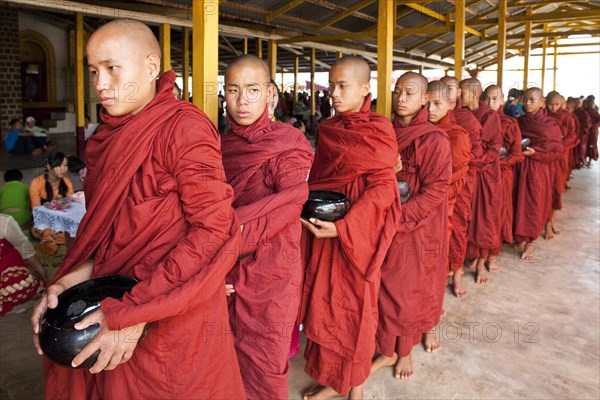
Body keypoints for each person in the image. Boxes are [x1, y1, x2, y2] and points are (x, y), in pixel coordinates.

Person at [30, 19, 246, 399]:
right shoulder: (106, 139)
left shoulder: (183, 129)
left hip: (172, 315)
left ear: (150, 68)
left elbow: (213, 231)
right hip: (112, 307)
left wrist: (137, 312)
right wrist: (67, 283)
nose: (100, 84)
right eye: (94, 71)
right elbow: (109, 242)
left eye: (113, 68)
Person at [299, 56, 400, 400]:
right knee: (325, 305)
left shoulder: (379, 128)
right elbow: (320, 180)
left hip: (357, 237)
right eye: (332, 86)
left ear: (365, 88)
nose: (335, 94)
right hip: (326, 226)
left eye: (343, 86)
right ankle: (333, 379)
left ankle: (355, 388)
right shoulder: (329, 129)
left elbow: (384, 189)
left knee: (355, 312)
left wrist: (345, 229)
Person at [220, 55, 313, 400]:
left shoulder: (287, 143)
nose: (242, 100)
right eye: (233, 90)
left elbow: (289, 205)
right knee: (223, 355)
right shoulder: (220, 146)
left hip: (271, 274)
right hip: (224, 270)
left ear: (270, 94)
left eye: (253, 90)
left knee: (264, 364)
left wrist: (225, 240)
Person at [371, 72, 451, 380]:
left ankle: (402, 352)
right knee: (384, 285)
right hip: (385, 216)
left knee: (406, 288)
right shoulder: (384, 132)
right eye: (398, 91)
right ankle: (384, 346)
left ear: (424, 99)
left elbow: (435, 190)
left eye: (410, 93)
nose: (402, 98)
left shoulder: (434, 139)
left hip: (417, 225)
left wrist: (400, 219)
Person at [439, 76, 484, 297]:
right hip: (435, 187)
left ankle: (456, 276)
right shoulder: (429, 115)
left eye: (451, 89)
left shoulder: (466, 120)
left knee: (457, 229)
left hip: (459, 183)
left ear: (458, 94)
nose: (446, 92)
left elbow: (478, 153)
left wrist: (458, 160)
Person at [427, 80, 471, 296]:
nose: (430, 110)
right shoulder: (417, 130)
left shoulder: (457, 135)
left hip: (445, 201)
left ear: (450, 104)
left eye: (437, 104)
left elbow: (458, 175)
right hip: (418, 200)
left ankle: (448, 283)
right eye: (426, 103)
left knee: (443, 244)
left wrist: (430, 192)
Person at [459, 78, 503, 284]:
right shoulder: (462, 114)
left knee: (485, 219)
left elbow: (493, 151)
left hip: (486, 175)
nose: (459, 96)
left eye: (463, 93)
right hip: (468, 174)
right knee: (469, 217)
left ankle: (480, 264)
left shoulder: (490, 116)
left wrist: (471, 160)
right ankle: (469, 256)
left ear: (475, 95)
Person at [513, 88, 563, 259]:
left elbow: (557, 151)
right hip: (520, 166)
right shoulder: (520, 122)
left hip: (539, 169)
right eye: (525, 100)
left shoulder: (549, 124)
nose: (527, 103)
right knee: (518, 202)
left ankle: (530, 242)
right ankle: (520, 237)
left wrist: (536, 153)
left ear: (542, 103)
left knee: (534, 203)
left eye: (532, 100)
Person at [483, 85, 524, 250]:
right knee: (481, 212)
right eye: (486, 99)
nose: (490, 102)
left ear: (501, 101)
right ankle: (479, 251)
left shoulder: (509, 123)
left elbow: (517, 154)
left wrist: (497, 163)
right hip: (481, 173)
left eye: (494, 99)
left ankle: (493, 252)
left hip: (501, 174)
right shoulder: (476, 121)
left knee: (498, 211)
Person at [545, 91, 579, 239]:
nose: (553, 108)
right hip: (545, 158)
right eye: (550, 104)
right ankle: (544, 223)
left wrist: (558, 144)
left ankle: (551, 222)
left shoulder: (567, 118)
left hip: (560, 157)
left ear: (561, 104)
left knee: (557, 190)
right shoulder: (543, 116)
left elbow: (573, 136)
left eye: (556, 105)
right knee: (544, 191)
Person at [29, 152, 74, 255]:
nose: (63, 169)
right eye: (59, 165)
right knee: (39, 228)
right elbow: (36, 211)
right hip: (43, 220)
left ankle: (51, 238)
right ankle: (51, 236)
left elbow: (71, 208)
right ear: (49, 166)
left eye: (65, 165)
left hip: (62, 219)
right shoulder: (37, 183)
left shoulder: (67, 182)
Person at [1, 214, 46, 316]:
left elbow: (22, 245)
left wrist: (39, 268)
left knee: (18, 283)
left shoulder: (4, 221)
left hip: (7, 268)